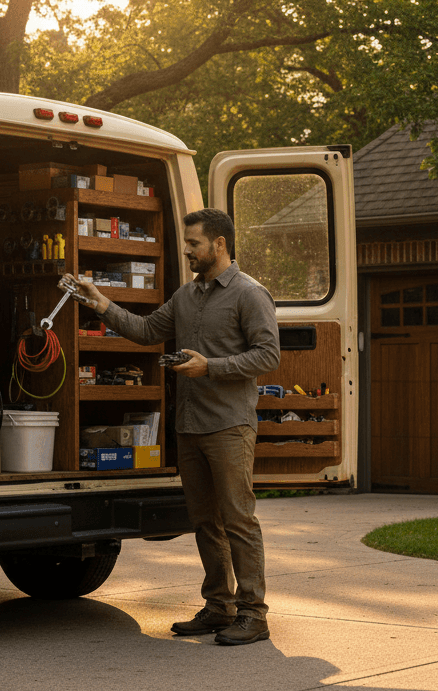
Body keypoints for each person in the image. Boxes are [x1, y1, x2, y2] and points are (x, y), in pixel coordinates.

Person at [61, 208, 280, 646]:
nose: (187, 250)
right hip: (191, 426)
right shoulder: (186, 296)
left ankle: (253, 614)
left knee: (239, 521)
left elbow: (269, 356)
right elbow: (144, 331)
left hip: (229, 426)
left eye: (194, 244)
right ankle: (220, 606)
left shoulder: (249, 294)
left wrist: (210, 366)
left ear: (219, 244)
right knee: (204, 521)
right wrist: (98, 300)